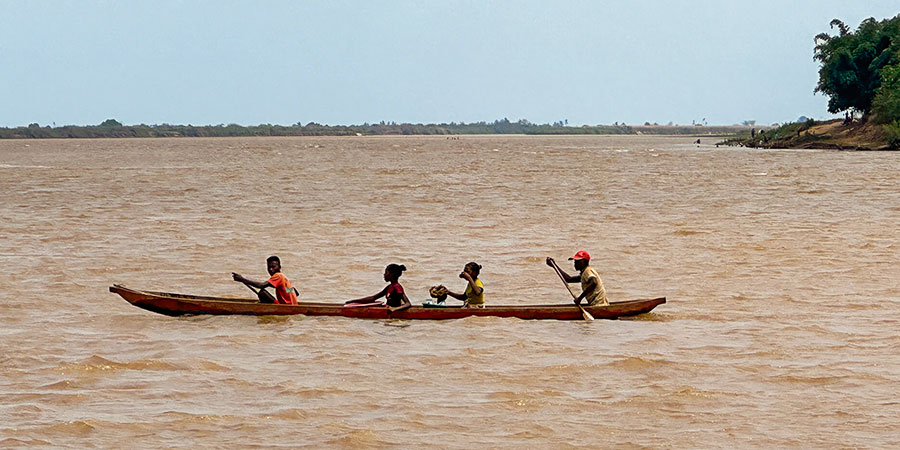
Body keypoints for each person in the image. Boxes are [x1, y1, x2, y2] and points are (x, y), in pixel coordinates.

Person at [232, 255, 298, 305]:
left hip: (285, 307)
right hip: (293, 306)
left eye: (273, 267)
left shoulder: (278, 276)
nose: (271, 269)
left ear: (279, 267)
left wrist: (242, 279)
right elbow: (295, 291)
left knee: (262, 293)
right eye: (269, 267)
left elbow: (261, 285)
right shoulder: (284, 278)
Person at [345, 263, 411, 312]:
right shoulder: (389, 287)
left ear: (391, 274)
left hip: (393, 310)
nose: (384, 275)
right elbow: (373, 298)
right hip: (387, 308)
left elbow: (408, 304)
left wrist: (394, 309)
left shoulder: (397, 287)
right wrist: (354, 301)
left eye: (386, 273)